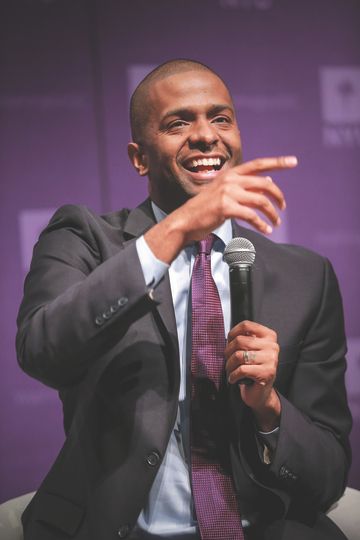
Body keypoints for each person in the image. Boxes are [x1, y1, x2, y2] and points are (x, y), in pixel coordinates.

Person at [16, 59, 352, 540]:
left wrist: (270, 409)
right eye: (178, 123)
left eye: (221, 119)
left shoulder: (305, 277)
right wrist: (176, 229)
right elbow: (43, 350)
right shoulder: (84, 240)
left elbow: (328, 474)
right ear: (139, 158)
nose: (205, 135)